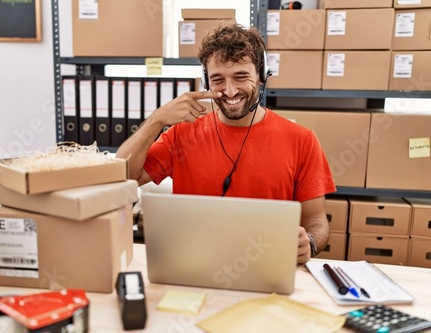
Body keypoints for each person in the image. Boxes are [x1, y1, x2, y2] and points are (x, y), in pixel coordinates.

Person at [116, 23, 336, 264]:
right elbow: (122, 176)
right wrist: (156, 120)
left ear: (261, 77)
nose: (230, 91)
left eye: (241, 77)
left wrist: (310, 243)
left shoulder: (302, 140)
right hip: (193, 265)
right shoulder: (182, 134)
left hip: (268, 267)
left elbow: (316, 222)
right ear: (206, 82)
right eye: (218, 80)